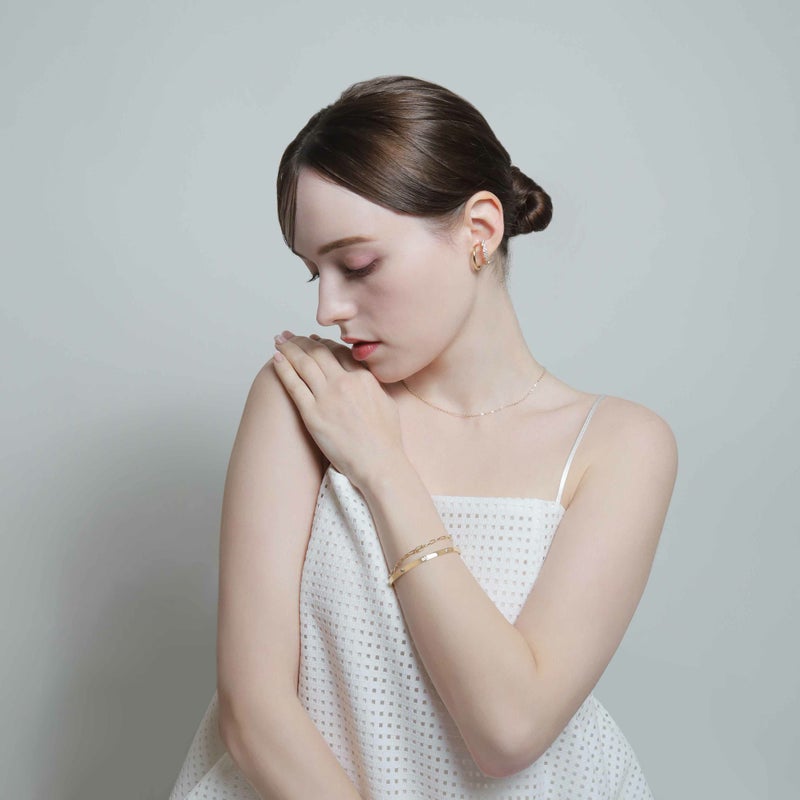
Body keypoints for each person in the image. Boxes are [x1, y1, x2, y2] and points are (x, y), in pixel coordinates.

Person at [168, 75, 678, 800]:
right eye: (314, 273)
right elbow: (254, 714)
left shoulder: (619, 446)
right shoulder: (304, 398)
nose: (328, 307)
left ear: (480, 231)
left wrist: (382, 466)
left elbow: (508, 730)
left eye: (358, 265)